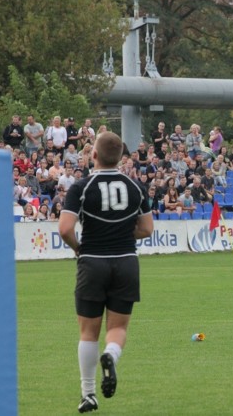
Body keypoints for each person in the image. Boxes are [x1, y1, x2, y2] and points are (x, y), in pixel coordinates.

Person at [58, 132, 154, 413]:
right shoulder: (135, 187)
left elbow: (65, 229)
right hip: (126, 261)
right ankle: (110, 355)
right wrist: (122, 233)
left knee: (88, 332)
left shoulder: (82, 187)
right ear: (122, 156)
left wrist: (79, 247)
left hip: (92, 262)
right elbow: (147, 229)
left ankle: (88, 393)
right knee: (118, 328)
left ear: (94, 156)